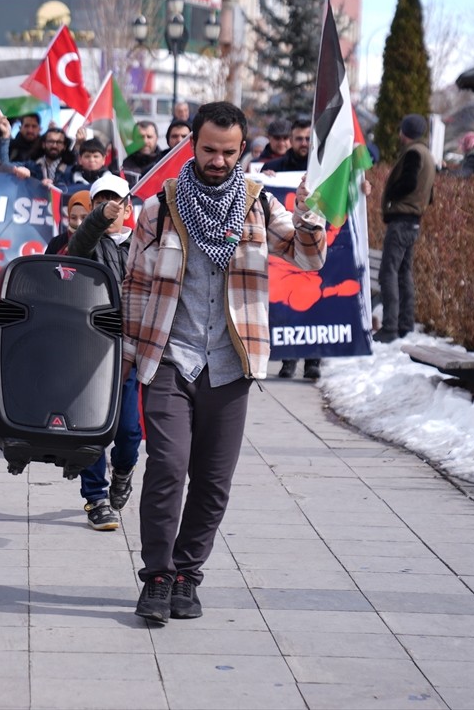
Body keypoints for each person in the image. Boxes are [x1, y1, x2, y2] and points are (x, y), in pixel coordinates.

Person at [122, 101, 326, 623]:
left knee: (214, 479)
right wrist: (129, 358)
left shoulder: (259, 204)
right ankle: (157, 576)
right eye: (208, 149)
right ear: (191, 145)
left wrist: (310, 219)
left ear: (242, 151)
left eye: (228, 152)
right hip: (170, 356)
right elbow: (136, 286)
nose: (217, 160)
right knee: (167, 468)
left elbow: (306, 256)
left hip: (232, 361)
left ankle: (188, 575)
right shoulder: (159, 208)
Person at [63, 173, 142, 531]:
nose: (110, 208)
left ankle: (123, 471)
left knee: (128, 431)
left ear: (129, 207)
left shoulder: (145, 243)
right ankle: (95, 498)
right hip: (89, 349)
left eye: (116, 202)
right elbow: (78, 246)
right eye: (100, 202)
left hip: (130, 352)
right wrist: (97, 219)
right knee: (91, 428)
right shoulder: (87, 243)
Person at [375, 114, 435, 343]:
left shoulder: (413, 153)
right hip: (414, 220)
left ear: (404, 131)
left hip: (401, 220)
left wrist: (391, 195)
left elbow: (409, 182)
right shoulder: (426, 153)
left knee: (389, 272)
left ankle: (390, 326)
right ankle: (405, 324)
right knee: (404, 272)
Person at [45, 189, 92, 255]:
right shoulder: (56, 243)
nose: (78, 223)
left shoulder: (102, 245)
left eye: (84, 218)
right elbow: (47, 264)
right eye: (73, 218)